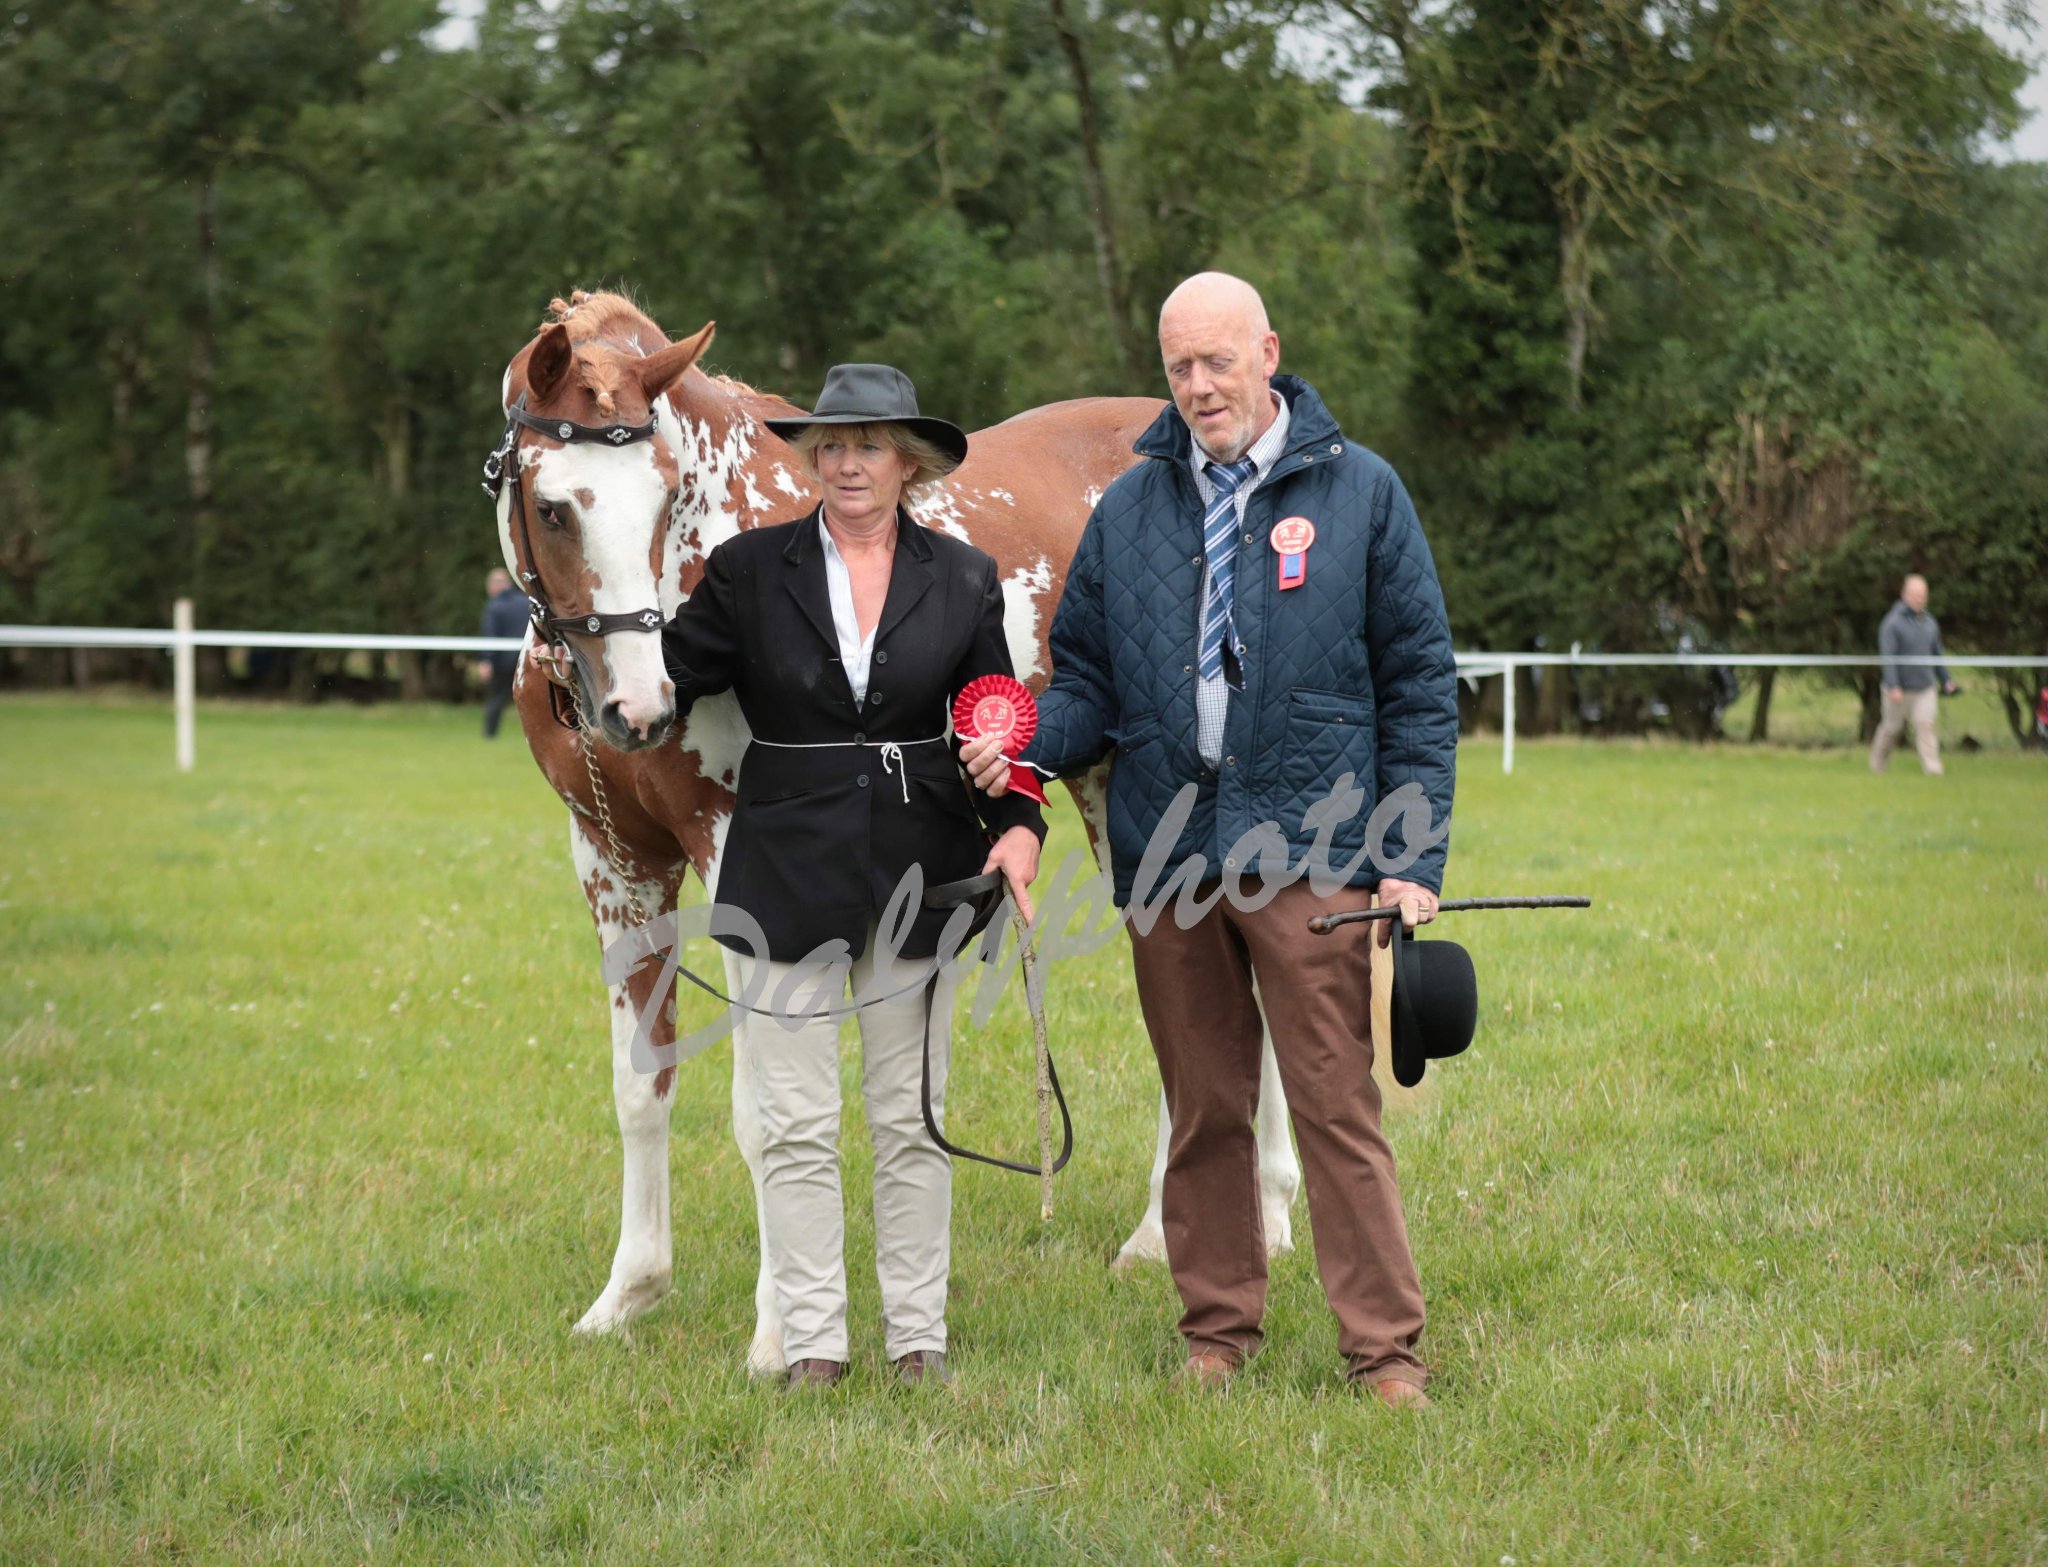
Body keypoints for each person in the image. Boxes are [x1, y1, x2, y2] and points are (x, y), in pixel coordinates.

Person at [967, 272, 1458, 1406]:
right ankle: (1218, 1330)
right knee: (1202, 1109)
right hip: (1171, 858)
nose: (1198, 386)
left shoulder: (1363, 492)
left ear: (1267, 354)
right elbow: (1087, 683)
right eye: (1178, 366)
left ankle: (1384, 1349)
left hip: (1314, 850)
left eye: (1217, 361)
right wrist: (1026, 736)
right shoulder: (1130, 509)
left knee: (1334, 1106)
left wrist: (1410, 858)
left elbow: (1420, 687)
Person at [661, 363, 1044, 1391]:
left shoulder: (963, 576)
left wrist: (1017, 822)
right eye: (829, 445)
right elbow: (661, 680)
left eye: (868, 445)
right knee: (793, 1124)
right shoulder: (747, 571)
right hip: (783, 872)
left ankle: (918, 1338)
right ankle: (814, 1345)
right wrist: (587, 640)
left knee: (911, 1118)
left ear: (906, 462)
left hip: (922, 869)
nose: (846, 463)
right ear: (810, 459)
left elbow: (996, 718)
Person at [1870, 573, 1960, 775]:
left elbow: (1937, 655)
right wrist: (1893, 685)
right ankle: (1877, 765)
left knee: (1925, 725)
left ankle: (1933, 769)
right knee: (1892, 729)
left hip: (1924, 687)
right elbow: (1888, 657)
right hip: (1898, 689)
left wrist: (1946, 680)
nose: (1920, 599)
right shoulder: (1892, 623)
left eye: (1923, 595)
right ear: (1904, 595)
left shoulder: (1930, 623)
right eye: (1916, 595)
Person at [476, 567, 530, 738]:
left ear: (495, 585)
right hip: (527, 658)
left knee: (497, 698)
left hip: (502, 660)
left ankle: (490, 733)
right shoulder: (525, 602)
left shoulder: (494, 606)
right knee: (530, 697)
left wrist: (486, 659)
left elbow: (490, 634)